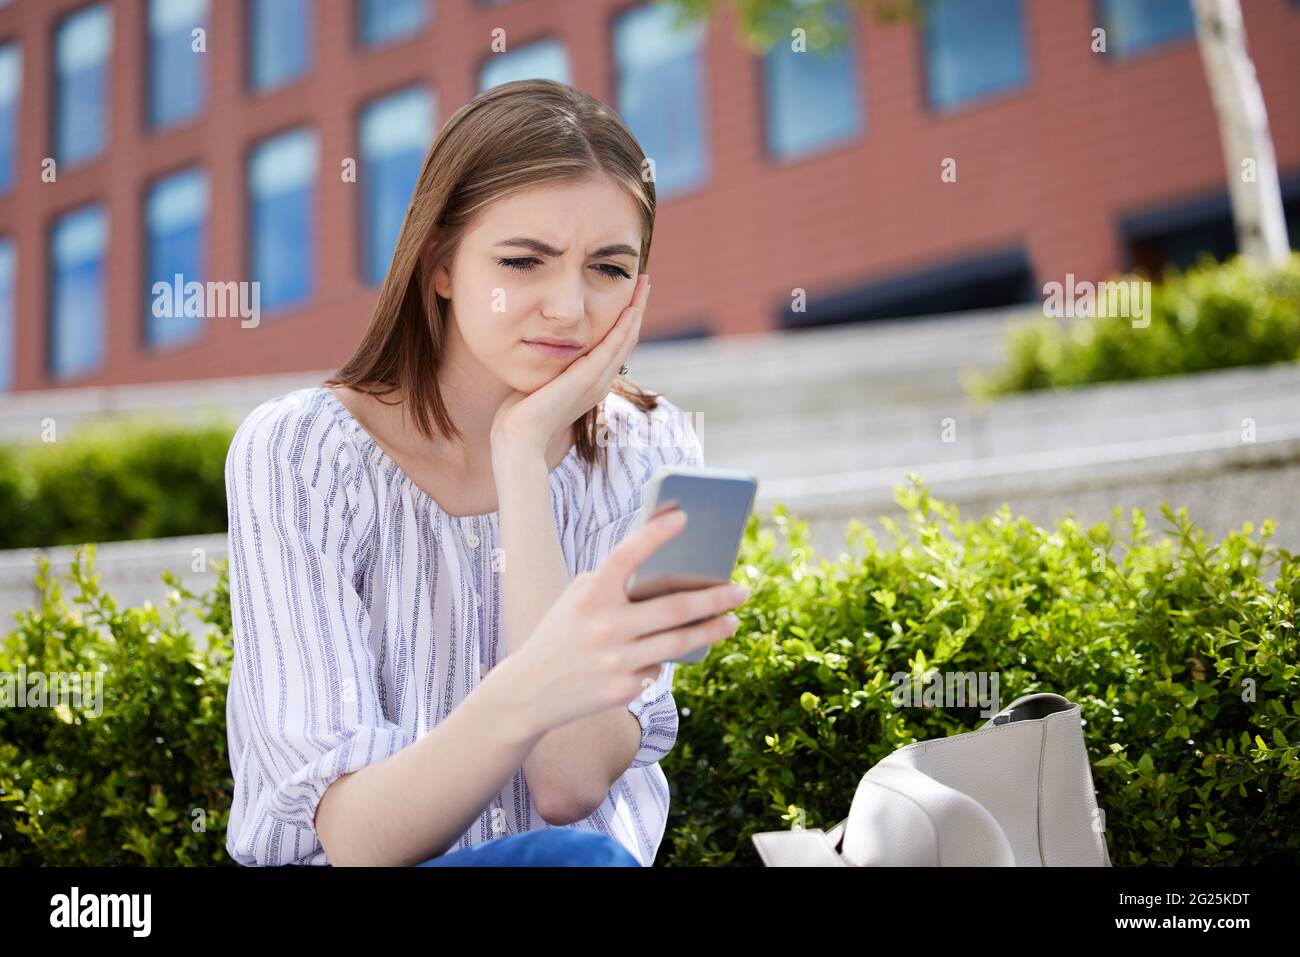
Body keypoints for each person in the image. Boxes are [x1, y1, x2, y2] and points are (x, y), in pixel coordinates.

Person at [223, 79, 749, 867]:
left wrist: (521, 457)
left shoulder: (653, 450)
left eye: (608, 269)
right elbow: (362, 840)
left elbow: (569, 781)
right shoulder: (298, 451)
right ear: (439, 264)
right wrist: (537, 679)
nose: (568, 308)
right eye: (523, 261)